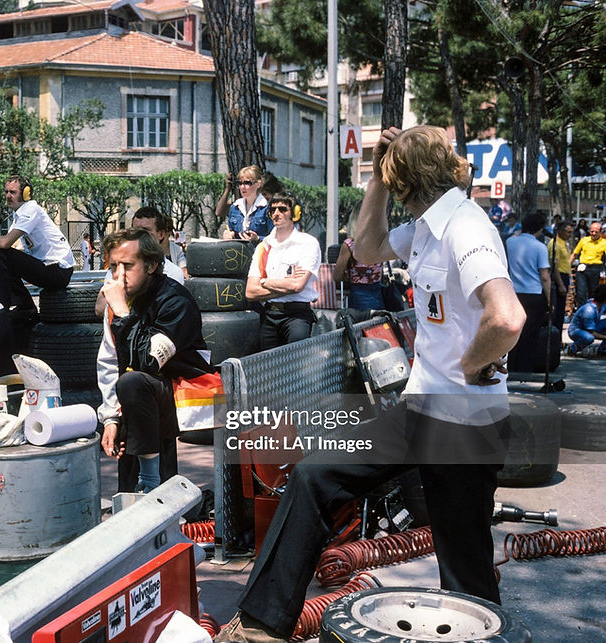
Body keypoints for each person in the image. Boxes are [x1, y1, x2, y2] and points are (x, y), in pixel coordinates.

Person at [216, 126, 525, 643]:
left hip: (464, 424)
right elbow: (366, 247)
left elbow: (508, 318)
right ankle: (261, 626)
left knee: (464, 569)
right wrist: (378, 179)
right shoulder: (428, 225)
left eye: (389, 178)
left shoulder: (465, 228)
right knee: (317, 475)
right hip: (422, 410)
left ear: (405, 182)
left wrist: (471, 366)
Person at [98, 228, 212, 493]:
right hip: (141, 393)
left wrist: (124, 314)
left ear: (150, 265)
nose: (118, 275)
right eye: (114, 266)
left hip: (186, 392)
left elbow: (147, 362)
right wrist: (110, 419)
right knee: (128, 390)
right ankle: (130, 493)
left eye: (128, 265)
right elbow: (108, 361)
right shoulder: (119, 300)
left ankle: (152, 484)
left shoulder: (175, 300)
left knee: (134, 382)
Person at [0, 175, 74, 315]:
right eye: (6, 192)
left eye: (12, 192)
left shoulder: (31, 209)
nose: (8, 196)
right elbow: (5, 244)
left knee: (2, 255)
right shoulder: (19, 215)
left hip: (58, 271)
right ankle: (24, 307)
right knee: (1, 258)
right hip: (48, 268)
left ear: (26, 194)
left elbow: (6, 242)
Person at [245, 194, 321, 351]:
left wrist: (265, 282)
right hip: (269, 315)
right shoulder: (263, 247)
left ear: (295, 213)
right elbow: (251, 292)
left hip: (297, 315)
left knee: (295, 366)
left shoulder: (308, 243)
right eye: (272, 209)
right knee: (267, 369)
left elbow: (297, 286)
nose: (276, 213)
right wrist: (286, 285)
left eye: (282, 209)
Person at [505, 213, 551, 373]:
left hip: (514, 293)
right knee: (530, 333)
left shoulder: (511, 242)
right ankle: (525, 367)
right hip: (534, 293)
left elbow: (511, 236)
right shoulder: (540, 247)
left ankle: (510, 365)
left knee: (512, 330)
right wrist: (550, 299)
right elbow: (544, 276)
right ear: (539, 229)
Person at [332, 213, 385, 311]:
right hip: (379, 293)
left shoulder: (350, 244)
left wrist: (349, 275)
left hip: (359, 294)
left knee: (361, 324)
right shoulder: (381, 241)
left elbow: (337, 275)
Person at [217, 166, 271, 241]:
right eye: (240, 183)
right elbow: (231, 231)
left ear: (258, 184)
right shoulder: (235, 207)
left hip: (259, 251)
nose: (242, 187)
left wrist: (258, 238)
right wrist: (228, 235)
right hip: (238, 252)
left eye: (247, 183)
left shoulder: (267, 208)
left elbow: (275, 238)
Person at [568, 221, 606, 306]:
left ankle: (592, 310)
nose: (593, 233)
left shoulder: (604, 243)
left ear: (600, 232)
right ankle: (581, 311)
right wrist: (567, 266)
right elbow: (574, 254)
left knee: (593, 292)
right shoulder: (584, 240)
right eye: (592, 231)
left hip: (596, 268)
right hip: (582, 268)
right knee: (581, 292)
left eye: (596, 232)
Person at [566, 284, 606, 356]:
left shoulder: (602, 305)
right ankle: (572, 348)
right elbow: (591, 333)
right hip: (577, 331)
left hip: (592, 327)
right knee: (589, 338)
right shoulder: (588, 310)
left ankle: (603, 350)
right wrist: (605, 337)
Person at [547, 221, 573, 331]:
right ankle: (554, 334)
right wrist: (560, 284)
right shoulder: (555, 244)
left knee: (561, 309)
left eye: (571, 232)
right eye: (568, 232)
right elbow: (554, 266)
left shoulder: (564, 243)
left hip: (565, 276)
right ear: (560, 232)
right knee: (557, 309)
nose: (570, 235)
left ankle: (558, 335)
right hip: (558, 278)